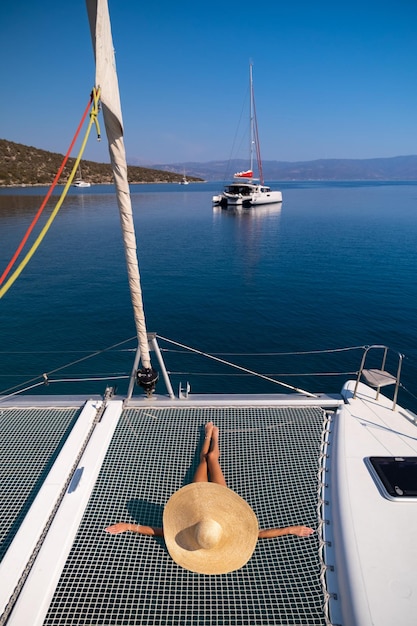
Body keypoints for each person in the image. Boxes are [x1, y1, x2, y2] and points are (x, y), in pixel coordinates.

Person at [105, 422, 314, 574]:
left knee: (204, 461)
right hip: (217, 503)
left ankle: (209, 434)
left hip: (200, 499)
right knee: (209, 459)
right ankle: (214, 437)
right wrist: (290, 530)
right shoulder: (201, 531)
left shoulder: (205, 531)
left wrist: (129, 526)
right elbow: (259, 534)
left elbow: (159, 532)